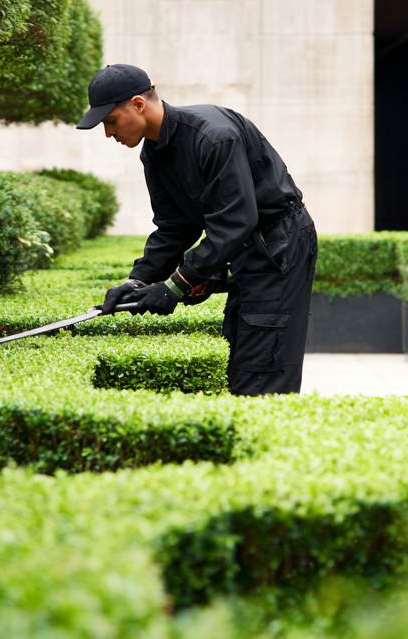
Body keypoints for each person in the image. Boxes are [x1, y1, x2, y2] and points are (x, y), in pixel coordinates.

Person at [76, 63, 318, 396]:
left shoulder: (214, 136)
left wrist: (177, 284)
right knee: (239, 349)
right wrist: (137, 280)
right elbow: (174, 227)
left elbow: (235, 220)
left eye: (110, 121)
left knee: (262, 366)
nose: (108, 134)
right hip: (245, 245)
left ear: (138, 104)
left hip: (279, 243)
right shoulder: (154, 153)